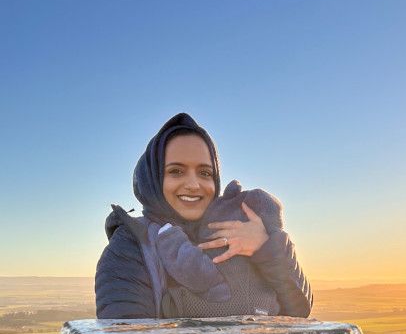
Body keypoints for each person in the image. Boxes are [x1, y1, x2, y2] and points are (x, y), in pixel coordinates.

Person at [95, 113, 312, 319]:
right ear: (152, 178)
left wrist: (266, 246)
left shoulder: (237, 229)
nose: (193, 185)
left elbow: (299, 309)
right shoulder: (130, 245)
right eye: (176, 171)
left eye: (205, 173)